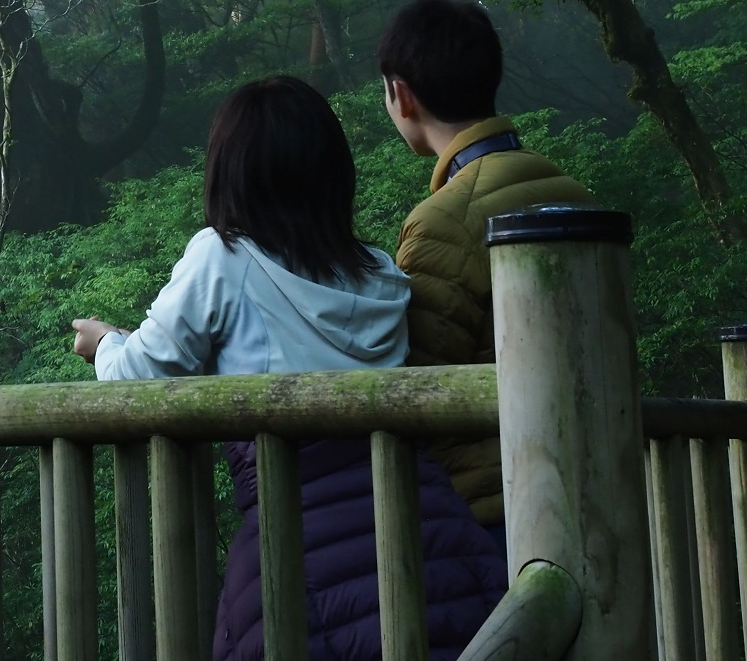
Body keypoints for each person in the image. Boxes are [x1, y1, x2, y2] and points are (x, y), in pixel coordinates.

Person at [71, 76, 505, 661]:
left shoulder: (223, 258)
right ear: (333, 173)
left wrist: (104, 345)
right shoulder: (379, 273)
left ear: (231, 172)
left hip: (296, 535)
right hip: (425, 526)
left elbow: (138, 381)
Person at [380, 0, 597, 547]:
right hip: (595, 485)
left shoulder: (444, 221)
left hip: (496, 515)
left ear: (401, 95)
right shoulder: (575, 194)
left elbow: (420, 395)